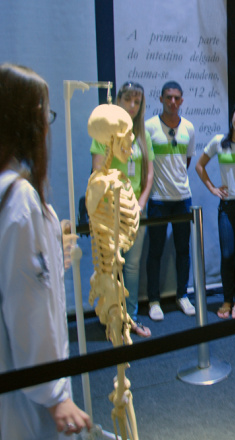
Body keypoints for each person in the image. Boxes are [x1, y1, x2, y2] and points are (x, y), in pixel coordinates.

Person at [0, 63, 91, 438]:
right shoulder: (17, 199)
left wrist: (51, 251)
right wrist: (55, 395)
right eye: (46, 115)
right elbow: (27, 307)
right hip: (20, 396)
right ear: (29, 122)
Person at [90, 82, 154, 338]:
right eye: (128, 100)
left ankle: (132, 319)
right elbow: (98, 172)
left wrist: (140, 204)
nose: (132, 106)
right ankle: (111, 319)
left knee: (132, 267)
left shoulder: (142, 135)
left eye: (137, 102)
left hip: (135, 211)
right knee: (109, 267)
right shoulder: (103, 134)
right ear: (118, 101)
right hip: (110, 211)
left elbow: (148, 175)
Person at [195, 99, 235, 319]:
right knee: (228, 254)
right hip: (227, 207)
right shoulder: (218, 142)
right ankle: (227, 299)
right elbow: (199, 165)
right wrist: (213, 188)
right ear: (232, 115)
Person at [145, 81, 196, 321]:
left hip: (182, 199)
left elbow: (185, 162)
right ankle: (154, 300)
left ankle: (182, 295)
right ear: (161, 99)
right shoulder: (149, 128)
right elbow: (147, 166)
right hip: (157, 199)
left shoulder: (189, 128)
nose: (172, 102)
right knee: (155, 251)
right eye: (168, 98)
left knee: (183, 250)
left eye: (177, 98)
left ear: (182, 101)